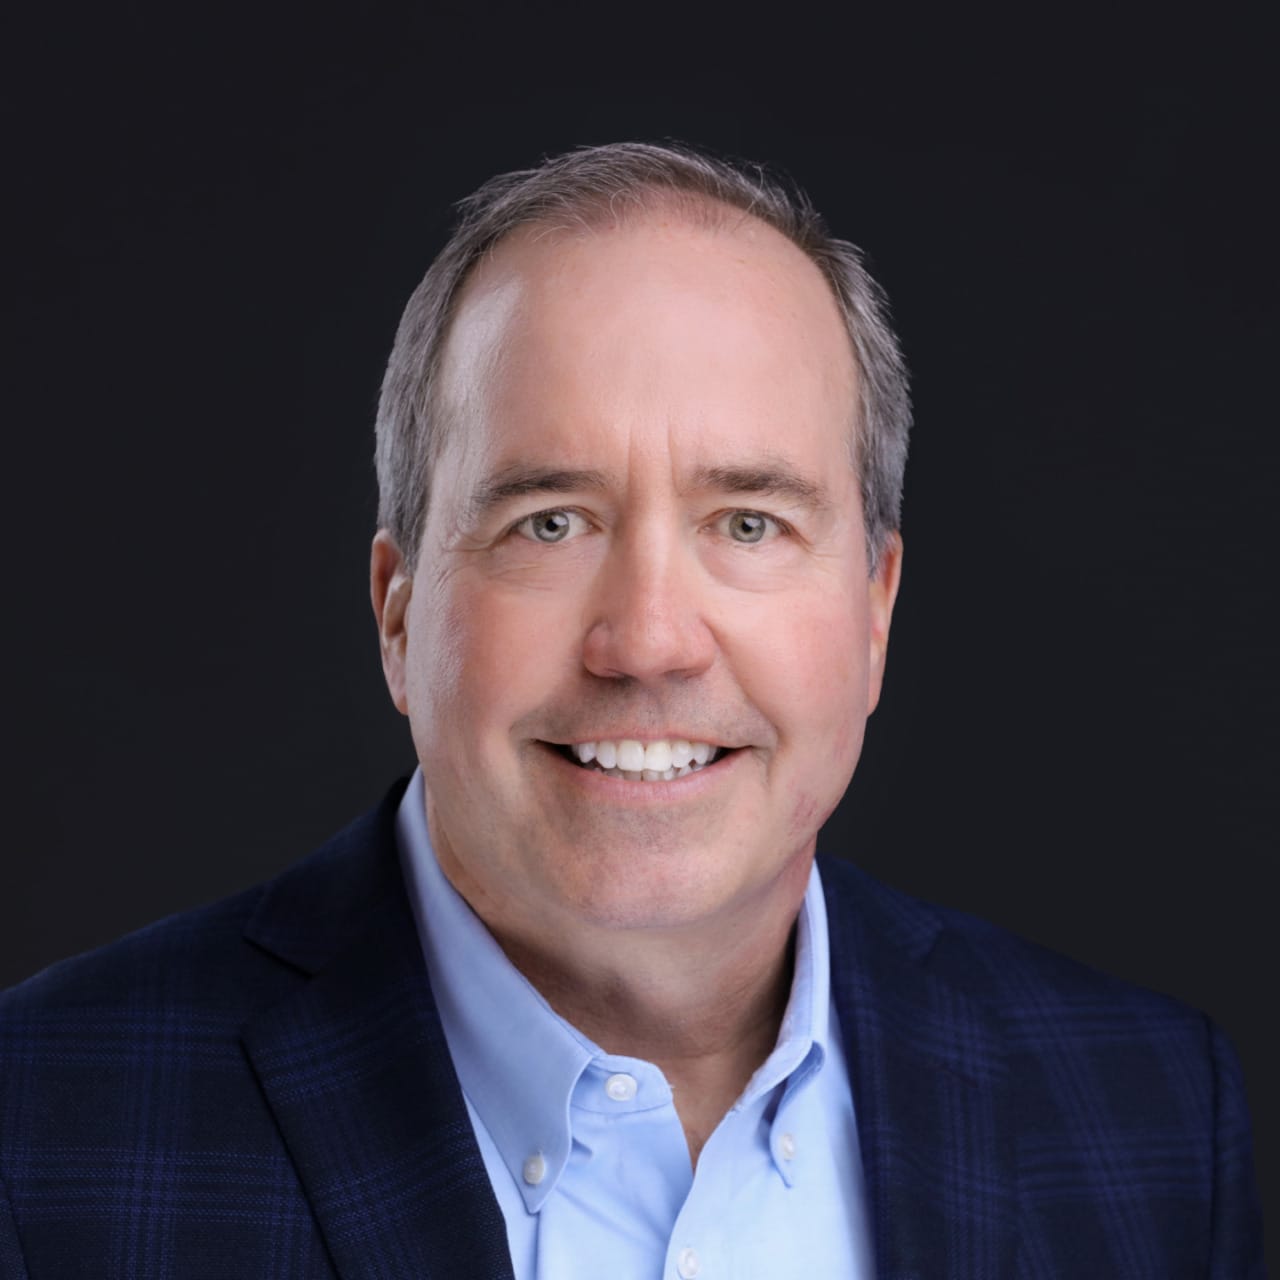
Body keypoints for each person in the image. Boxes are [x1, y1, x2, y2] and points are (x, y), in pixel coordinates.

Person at [0, 142, 1265, 1279]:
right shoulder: (41, 1125)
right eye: (549, 521)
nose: (647, 640)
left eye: (748, 523)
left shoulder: (1149, 1115)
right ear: (397, 613)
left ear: (873, 610)